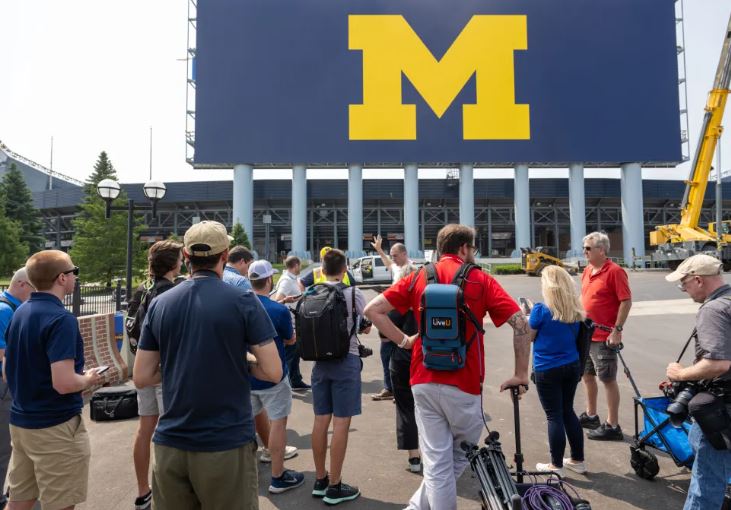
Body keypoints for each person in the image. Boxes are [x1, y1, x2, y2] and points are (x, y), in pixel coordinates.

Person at [365, 224, 532, 510]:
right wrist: (520, 374)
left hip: (423, 379)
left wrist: (405, 341)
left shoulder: (419, 275)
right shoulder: (480, 279)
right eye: (474, 249)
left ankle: (417, 507)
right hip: (464, 383)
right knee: (455, 458)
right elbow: (521, 325)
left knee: (438, 461)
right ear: (464, 248)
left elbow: (372, 311)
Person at [133, 221, 283, 510]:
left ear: (186, 258)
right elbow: (273, 371)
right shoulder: (244, 300)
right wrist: (242, 364)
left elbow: (142, 376)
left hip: (171, 445)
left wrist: (181, 366)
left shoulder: (161, 303)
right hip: (225, 444)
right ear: (225, 256)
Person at [4, 250, 103, 510]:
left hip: (22, 421)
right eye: (74, 272)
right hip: (55, 426)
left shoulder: (21, 312)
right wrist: (89, 378)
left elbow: (7, 370)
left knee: (19, 500)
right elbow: (64, 383)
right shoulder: (61, 320)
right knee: (60, 503)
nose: (75, 277)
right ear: (62, 278)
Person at [664, 254, 731, 510]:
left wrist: (680, 374)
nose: (684, 290)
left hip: (722, 404)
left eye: (684, 284)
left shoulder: (713, 310)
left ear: (698, 280)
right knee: (698, 441)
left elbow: (718, 364)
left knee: (705, 483)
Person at [310, 249, 368, 505]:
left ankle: (320, 479)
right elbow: (365, 324)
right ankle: (335, 485)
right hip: (346, 360)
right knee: (341, 423)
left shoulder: (310, 292)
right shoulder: (354, 293)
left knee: (320, 420)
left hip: (319, 364)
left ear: (322, 270)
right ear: (344, 270)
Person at [129, 240, 183, 510]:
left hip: (142, 367)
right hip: (163, 371)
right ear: (175, 263)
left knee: (145, 429)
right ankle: (167, 493)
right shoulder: (170, 293)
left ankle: (143, 491)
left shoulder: (143, 289)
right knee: (169, 433)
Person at [247, 260, 305, 494]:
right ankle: (278, 476)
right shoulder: (278, 310)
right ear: (269, 280)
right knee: (278, 423)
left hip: (246, 376)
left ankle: (245, 477)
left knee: (246, 425)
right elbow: (290, 339)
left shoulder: (240, 306)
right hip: (274, 376)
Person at [526, 265, 587, 476]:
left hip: (547, 368)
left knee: (554, 416)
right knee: (568, 410)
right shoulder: (575, 309)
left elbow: (530, 336)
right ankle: (578, 459)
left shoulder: (540, 310)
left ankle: (556, 465)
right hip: (572, 365)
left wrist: (530, 314)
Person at [580, 231, 632, 441]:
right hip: (586, 334)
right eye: (584, 248)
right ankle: (591, 415)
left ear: (601, 250)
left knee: (607, 379)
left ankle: (612, 425)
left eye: (588, 248)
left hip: (604, 336)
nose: (584, 251)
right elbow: (584, 297)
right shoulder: (587, 270)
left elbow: (626, 301)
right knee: (587, 376)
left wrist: (617, 330)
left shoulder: (615, 271)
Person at [376, 263, 421, 473]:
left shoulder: (397, 304)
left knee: (405, 407)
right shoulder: (431, 299)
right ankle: (436, 452)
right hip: (428, 359)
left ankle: (414, 457)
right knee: (431, 407)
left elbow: (383, 333)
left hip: (402, 358)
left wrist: (403, 340)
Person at [0, 268, 34, 509]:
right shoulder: (5, 311)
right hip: (4, 388)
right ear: (22, 284)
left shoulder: (10, 309)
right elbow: (4, 354)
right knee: (4, 448)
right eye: (34, 288)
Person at [370, 235, 415, 401]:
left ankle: (401, 389)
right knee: (386, 352)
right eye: (392, 255)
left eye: (395, 255)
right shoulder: (396, 267)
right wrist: (379, 250)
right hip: (393, 314)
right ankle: (390, 387)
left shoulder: (412, 270)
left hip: (405, 317)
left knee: (402, 354)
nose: (393, 258)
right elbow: (388, 264)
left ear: (404, 254)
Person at [273, 256, 310, 391]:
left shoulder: (292, 279)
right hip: (290, 323)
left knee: (295, 353)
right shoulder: (286, 281)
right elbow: (278, 300)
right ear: (295, 265)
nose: (300, 268)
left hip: (296, 322)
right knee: (290, 354)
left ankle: (295, 380)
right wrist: (288, 300)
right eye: (299, 265)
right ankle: (287, 382)